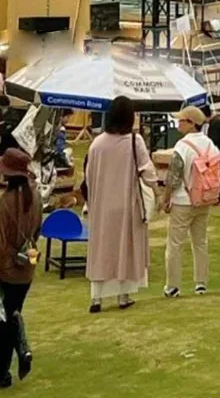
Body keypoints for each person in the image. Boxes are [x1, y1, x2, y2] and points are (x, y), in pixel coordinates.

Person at [85, 96, 157, 313]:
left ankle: (96, 298)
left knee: (101, 249)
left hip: (102, 205)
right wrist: (156, 190)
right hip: (127, 204)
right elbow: (147, 171)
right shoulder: (135, 142)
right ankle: (123, 296)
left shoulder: (97, 144)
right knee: (125, 248)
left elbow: (88, 177)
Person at [163, 106, 220, 298]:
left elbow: (174, 176)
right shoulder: (209, 144)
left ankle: (172, 285)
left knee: (175, 244)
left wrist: (166, 198)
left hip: (182, 200)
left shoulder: (182, 146)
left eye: (182, 120)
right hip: (203, 199)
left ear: (191, 123)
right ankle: (201, 283)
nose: (178, 123)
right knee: (200, 242)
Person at [0, 149, 41, 388]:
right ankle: (21, 352)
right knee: (12, 314)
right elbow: (37, 231)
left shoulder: (5, 204)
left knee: (5, 321)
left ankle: (5, 369)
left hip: (6, 270)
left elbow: (2, 246)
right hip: (27, 266)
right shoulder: (35, 197)